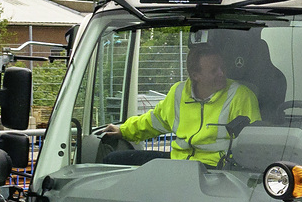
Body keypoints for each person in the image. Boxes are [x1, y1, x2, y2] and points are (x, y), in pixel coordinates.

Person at [103, 44, 260, 165]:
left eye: (222, 68)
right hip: (179, 163)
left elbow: (253, 143)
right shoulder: (178, 92)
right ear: (195, 75)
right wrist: (123, 130)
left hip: (217, 168)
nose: (222, 74)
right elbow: (154, 121)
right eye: (214, 70)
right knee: (112, 160)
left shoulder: (241, 95)